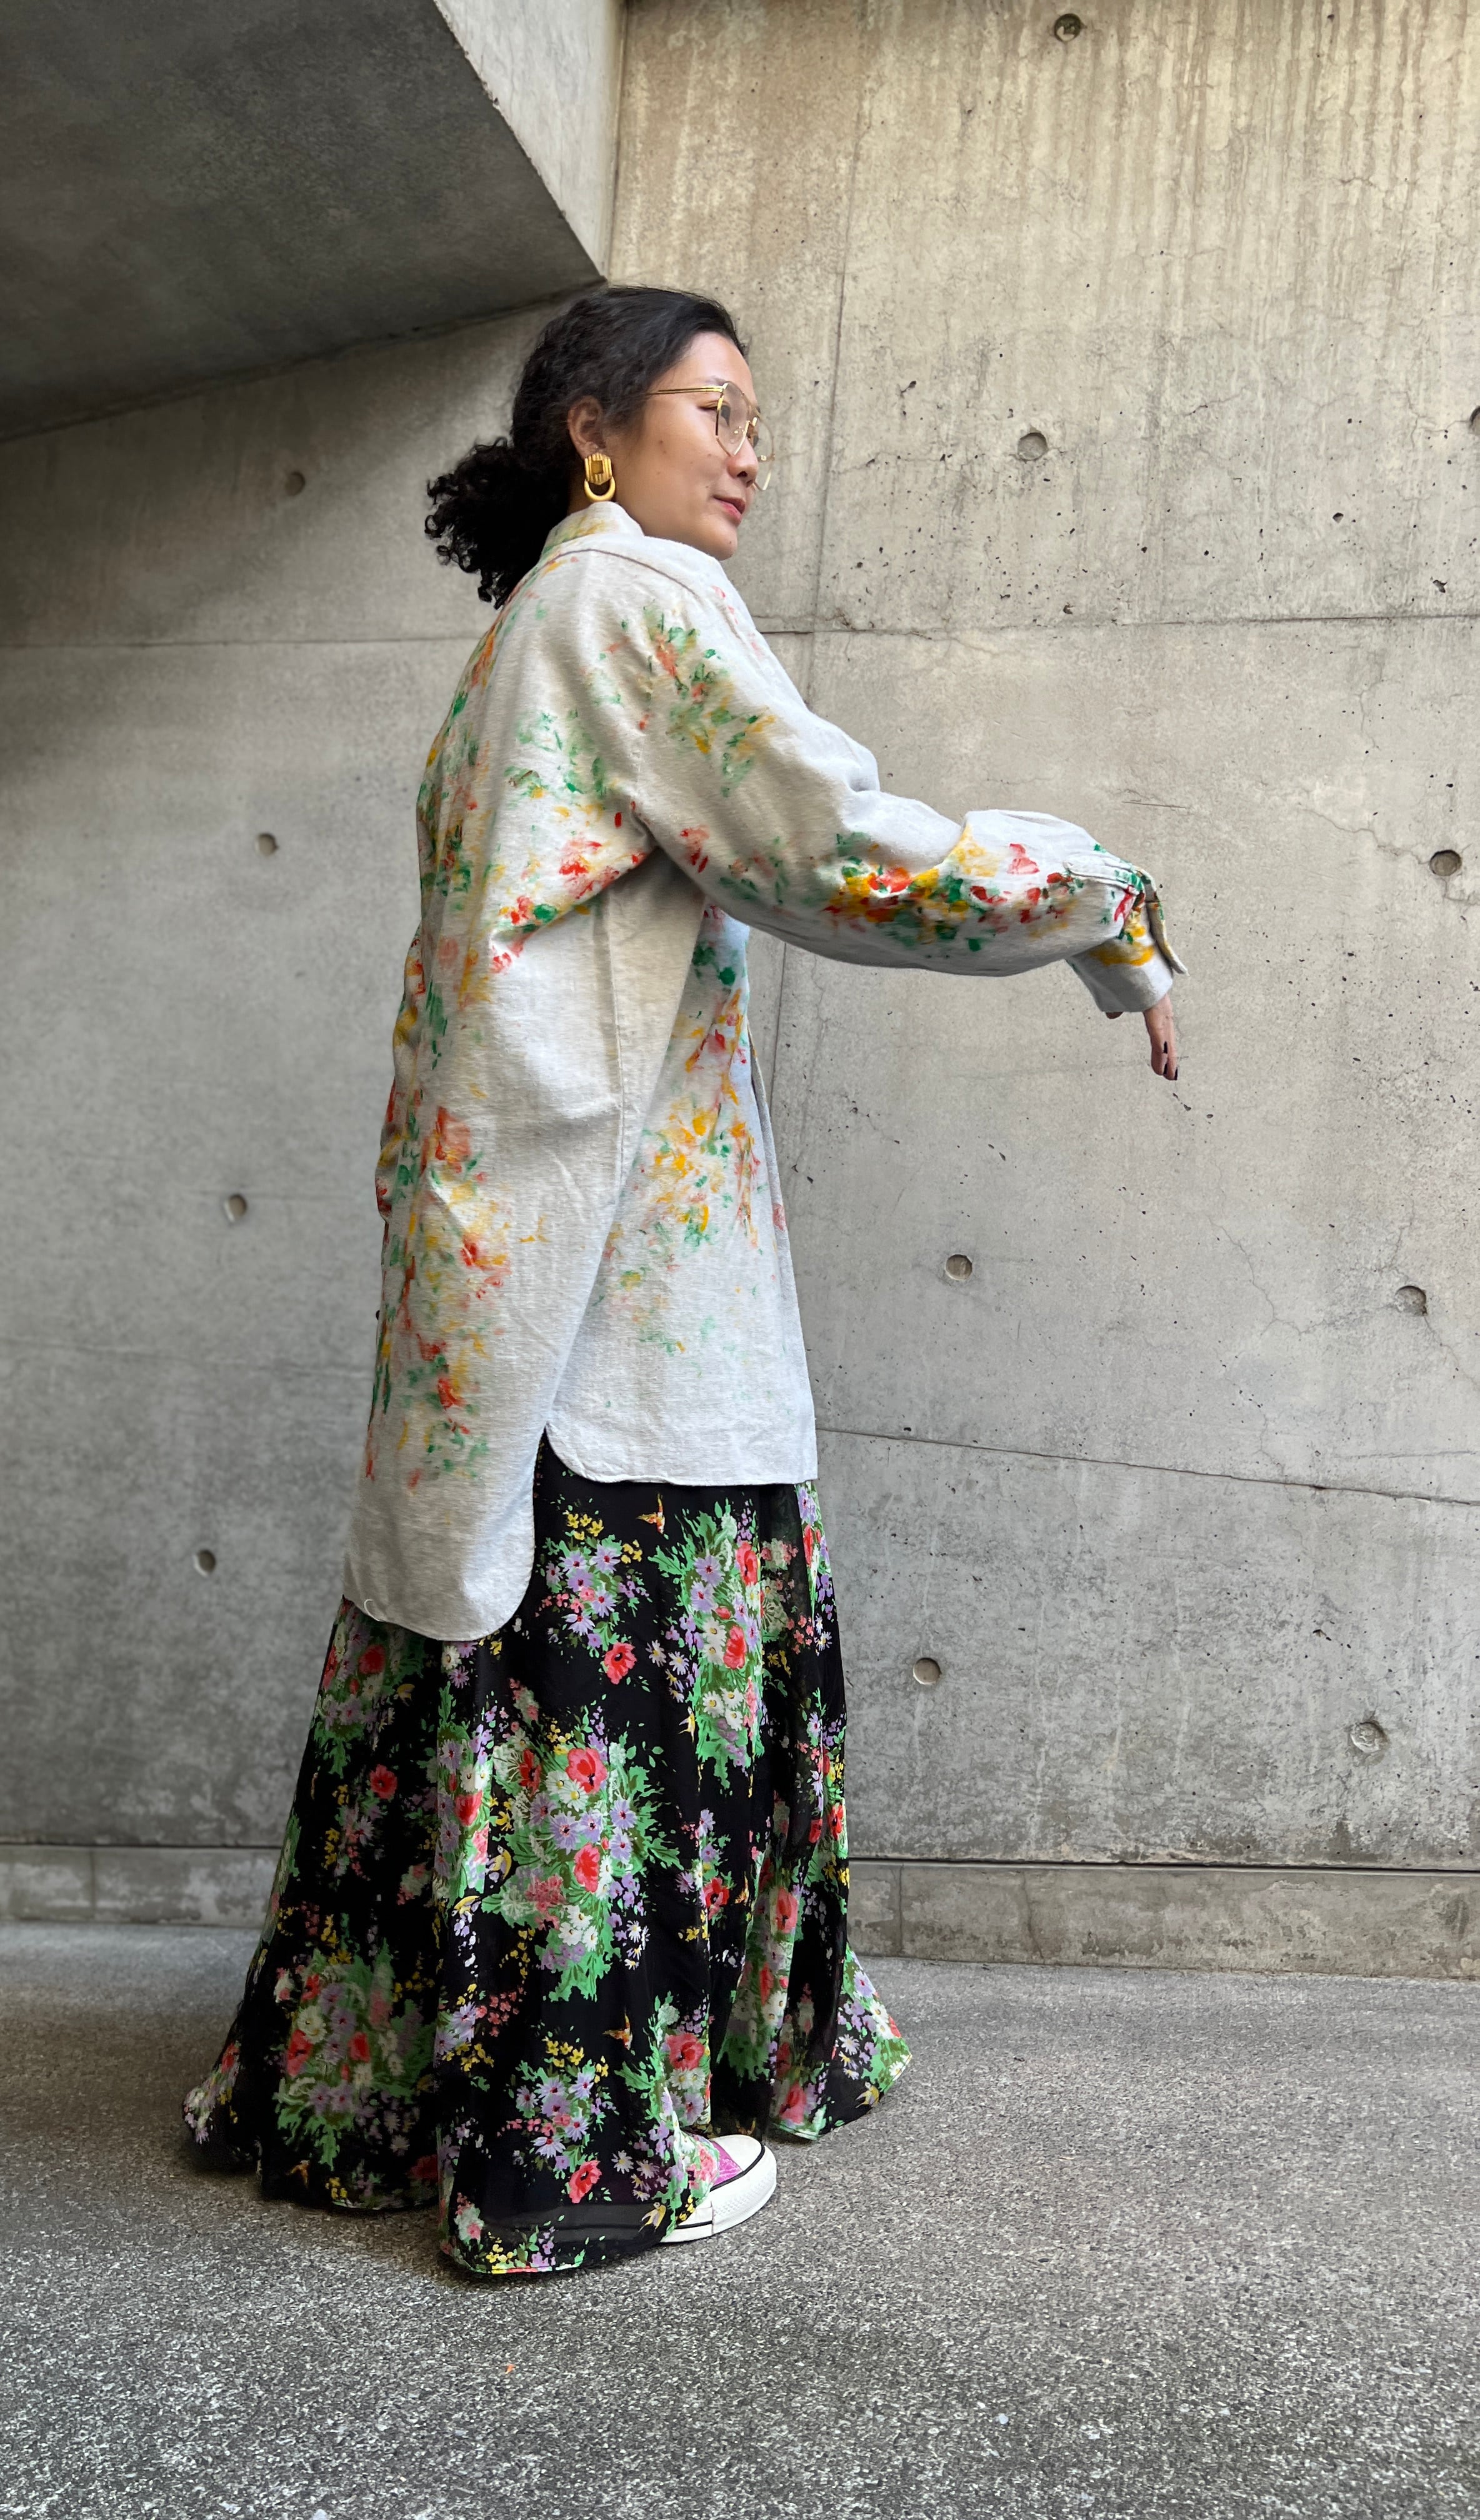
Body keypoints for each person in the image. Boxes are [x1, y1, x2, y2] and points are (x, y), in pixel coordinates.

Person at [183, 284, 1181, 2278]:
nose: (748, 448)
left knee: (485, 1663)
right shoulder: (634, 604)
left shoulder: (519, 642)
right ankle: (572, 2168)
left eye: (755, 416)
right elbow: (826, 841)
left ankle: (377, 2105)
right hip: (614, 1270)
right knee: (609, 1693)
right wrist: (1102, 896)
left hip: (497, 1253)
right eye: (713, 408)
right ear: (593, 428)